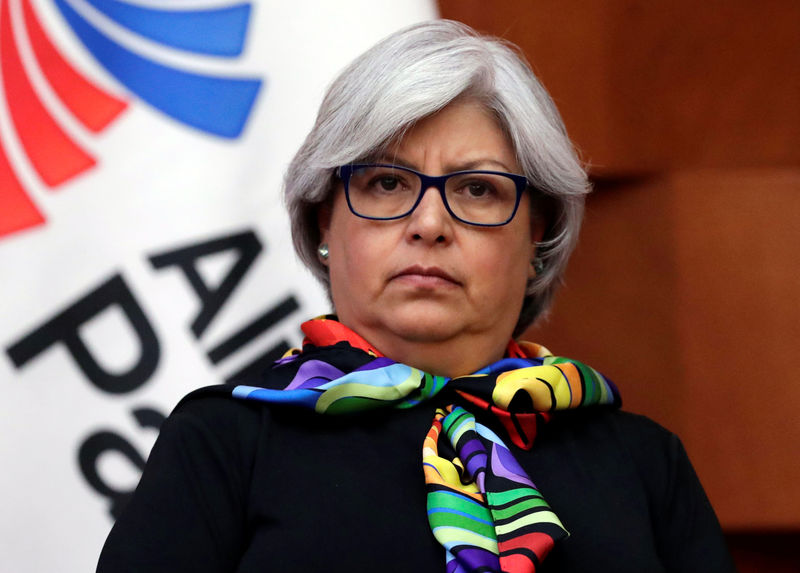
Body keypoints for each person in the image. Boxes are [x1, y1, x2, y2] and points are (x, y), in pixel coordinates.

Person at [97, 20, 735, 573]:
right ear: (325, 222)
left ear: (536, 233)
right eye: (385, 183)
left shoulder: (643, 464)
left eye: (478, 190)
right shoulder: (225, 443)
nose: (429, 223)